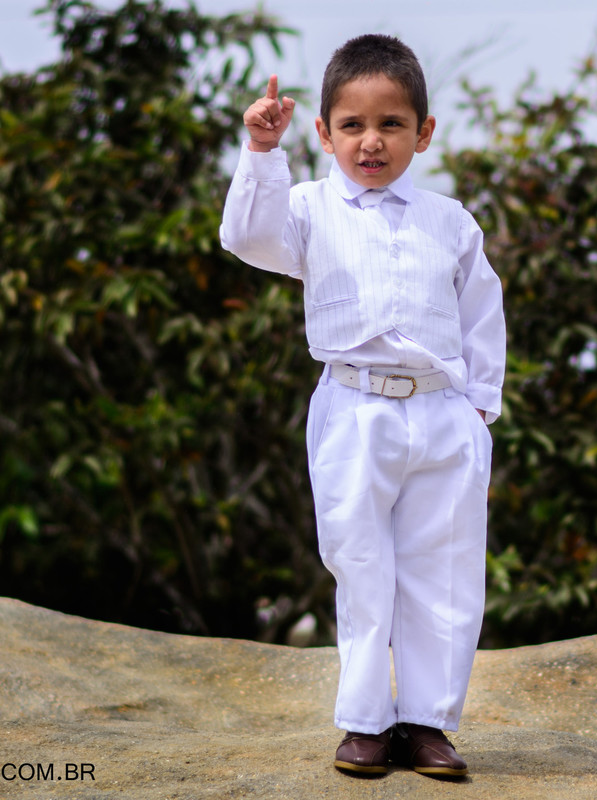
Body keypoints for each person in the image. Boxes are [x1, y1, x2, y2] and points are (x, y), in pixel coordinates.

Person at [220, 34, 505, 778]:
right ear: (324, 133)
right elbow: (247, 237)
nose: (371, 141)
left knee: (445, 570)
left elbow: (482, 312)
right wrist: (261, 151)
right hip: (354, 408)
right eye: (352, 125)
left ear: (424, 132)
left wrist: (479, 412)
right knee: (360, 562)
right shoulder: (308, 208)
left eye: (391, 124)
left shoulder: (450, 220)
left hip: (443, 414)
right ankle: (367, 723)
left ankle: (428, 724)